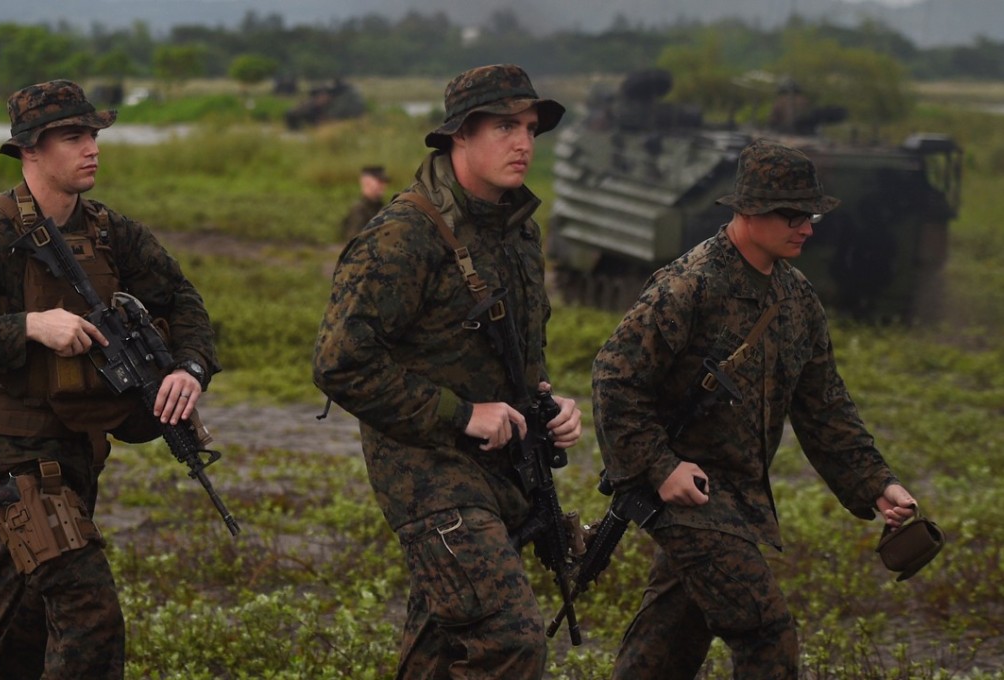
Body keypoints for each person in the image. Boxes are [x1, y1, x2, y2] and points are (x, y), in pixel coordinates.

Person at [591, 139, 918, 679]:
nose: (807, 227)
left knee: (666, 645)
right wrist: (660, 467)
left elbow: (824, 405)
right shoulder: (690, 285)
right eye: (791, 214)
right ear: (748, 210)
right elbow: (614, 378)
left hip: (736, 500)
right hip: (687, 497)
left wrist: (876, 484)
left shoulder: (797, 299)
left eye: (810, 214)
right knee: (766, 633)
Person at [313, 63, 582, 678]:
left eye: (532, 129)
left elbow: (517, 351)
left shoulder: (518, 230)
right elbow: (339, 364)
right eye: (505, 127)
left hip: (504, 464)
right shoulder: (403, 236)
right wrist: (461, 415)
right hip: (426, 469)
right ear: (459, 135)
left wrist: (547, 404)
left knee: (439, 647)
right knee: (509, 639)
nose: (523, 144)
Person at [0, 79, 219, 678]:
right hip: (10, 462)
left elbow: (185, 300)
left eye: (92, 134)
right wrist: (29, 326)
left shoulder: (113, 232)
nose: (91, 148)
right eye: (72, 137)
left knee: (18, 632)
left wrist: (188, 371)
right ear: (30, 150)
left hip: (81, 456)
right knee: (89, 615)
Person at [339, 165, 390, 240]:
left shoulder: (383, 207)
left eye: (384, 182)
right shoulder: (359, 210)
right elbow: (354, 240)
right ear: (366, 182)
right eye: (379, 182)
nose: (383, 185)